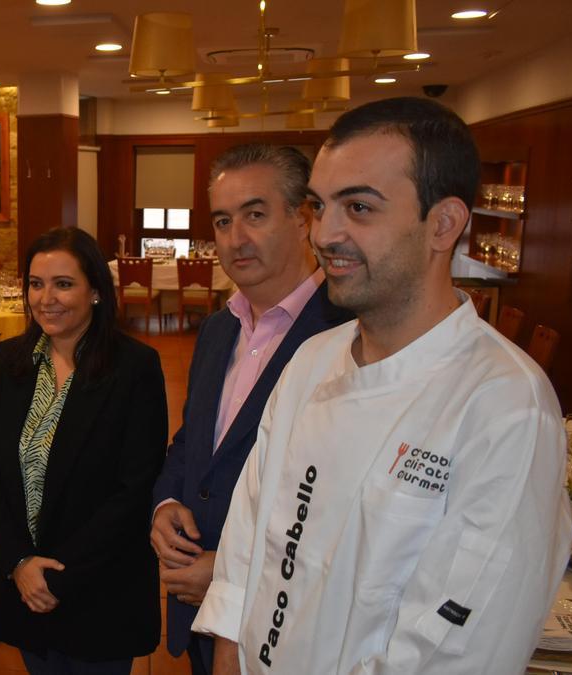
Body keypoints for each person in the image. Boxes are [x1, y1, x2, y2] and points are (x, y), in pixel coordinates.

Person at [193, 97, 572, 674]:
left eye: (360, 207)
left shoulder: (505, 406)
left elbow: (456, 649)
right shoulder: (312, 361)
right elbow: (246, 544)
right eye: (320, 207)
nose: (325, 233)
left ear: (443, 223)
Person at [150, 144, 351, 674]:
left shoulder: (348, 336)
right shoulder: (219, 330)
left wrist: (236, 570)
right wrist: (165, 503)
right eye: (222, 220)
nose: (235, 239)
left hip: (286, 627)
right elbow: (193, 443)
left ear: (304, 219)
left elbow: (347, 503)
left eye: (255, 215)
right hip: (198, 606)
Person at [0, 226, 168, 675]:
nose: (46, 299)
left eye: (63, 284)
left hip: (99, 592)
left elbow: (134, 491)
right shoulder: (12, 361)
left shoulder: (134, 368)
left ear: (95, 289)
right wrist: (19, 561)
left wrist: (59, 576)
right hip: (26, 590)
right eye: (36, 284)